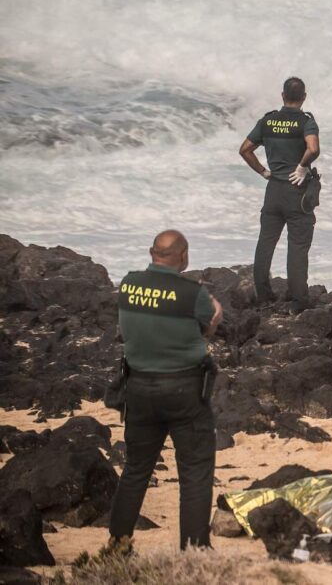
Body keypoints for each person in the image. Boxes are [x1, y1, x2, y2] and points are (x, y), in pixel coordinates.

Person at [110, 230, 222, 550]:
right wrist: (214, 314)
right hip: (184, 390)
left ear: (151, 253)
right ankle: (194, 549)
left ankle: (118, 544)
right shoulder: (192, 293)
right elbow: (210, 323)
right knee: (195, 471)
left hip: (138, 389)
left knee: (135, 470)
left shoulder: (128, 284)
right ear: (184, 257)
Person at [239, 77, 321, 313]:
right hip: (297, 191)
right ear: (304, 97)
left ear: (282, 96)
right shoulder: (306, 122)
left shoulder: (268, 120)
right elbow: (313, 149)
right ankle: (298, 301)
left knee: (266, 241)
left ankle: (263, 296)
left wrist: (264, 171)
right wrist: (302, 166)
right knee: (297, 246)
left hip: (273, 189)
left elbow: (245, 149)